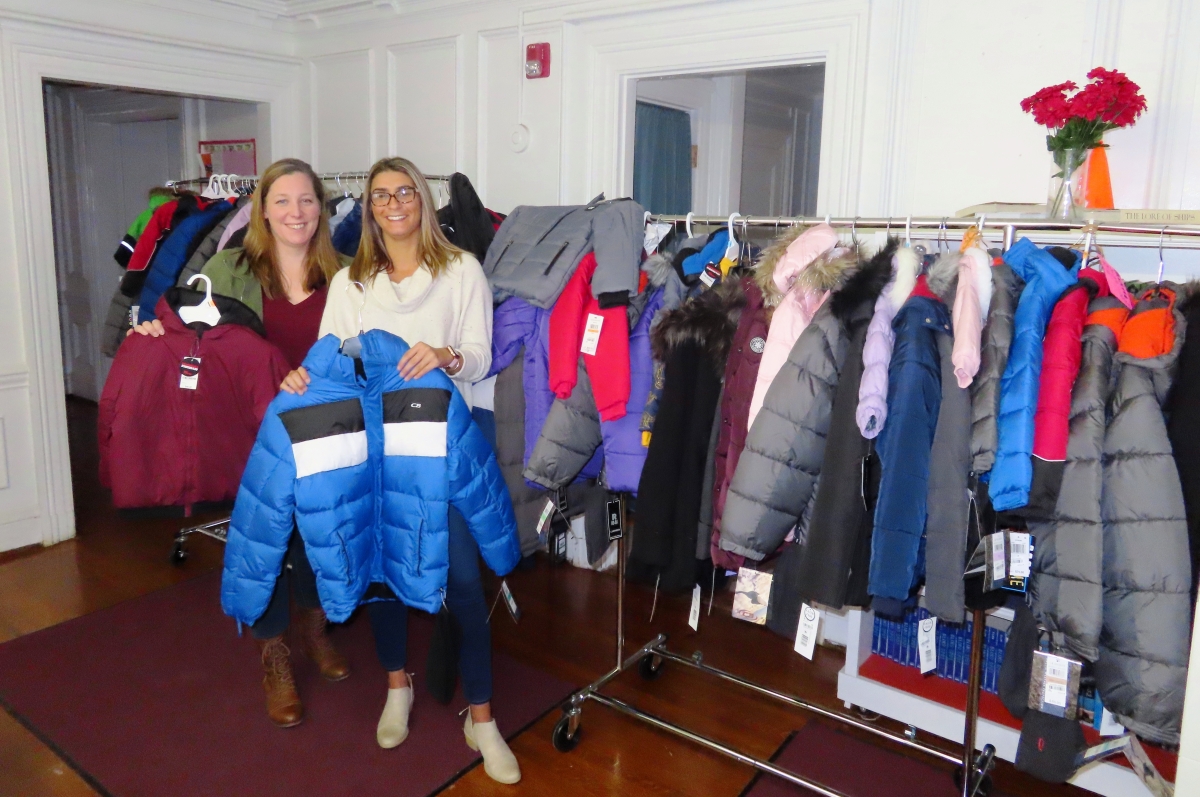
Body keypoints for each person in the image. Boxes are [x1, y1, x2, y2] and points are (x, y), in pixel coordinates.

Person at [280, 157, 520, 784]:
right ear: (368, 207)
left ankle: (483, 717)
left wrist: (442, 355)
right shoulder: (351, 284)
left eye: (404, 191)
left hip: (442, 452)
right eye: (381, 194)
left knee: (463, 583)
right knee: (382, 575)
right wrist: (302, 376)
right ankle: (397, 685)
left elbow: (480, 356)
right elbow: (330, 364)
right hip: (375, 455)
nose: (393, 203)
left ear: (422, 198)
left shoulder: (461, 269)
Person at [130, 158, 349, 729]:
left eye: (306, 201)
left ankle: (315, 628)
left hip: (324, 429)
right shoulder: (229, 269)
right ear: (262, 209)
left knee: (318, 534)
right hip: (254, 433)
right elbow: (179, 320)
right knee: (265, 544)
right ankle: (273, 653)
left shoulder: (347, 274)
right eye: (283, 201)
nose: (296, 212)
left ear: (322, 211)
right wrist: (154, 329)